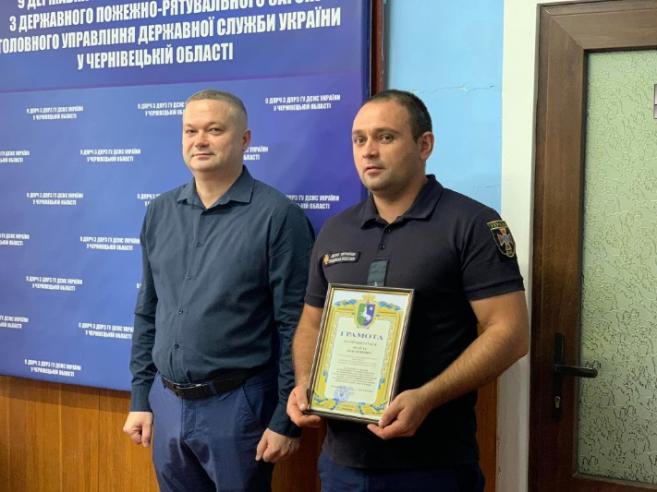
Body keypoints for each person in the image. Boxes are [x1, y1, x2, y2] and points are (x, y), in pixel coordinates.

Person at [287, 89, 529, 491]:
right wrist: (305, 382)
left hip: (432, 463)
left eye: (385, 137)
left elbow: (510, 333)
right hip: (342, 463)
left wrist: (427, 397)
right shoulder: (336, 229)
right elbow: (312, 323)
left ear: (424, 145)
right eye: (359, 139)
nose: (369, 151)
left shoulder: (470, 224)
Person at [123, 89, 314, 492]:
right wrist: (141, 397)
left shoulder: (278, 217)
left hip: (238, 405)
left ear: (244, 139)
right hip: (167, 403)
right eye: (190, 130)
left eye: (214, 130)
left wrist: (285, 419)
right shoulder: (160, 211)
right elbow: (148, 310)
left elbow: (295, 326)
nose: (200, 141)